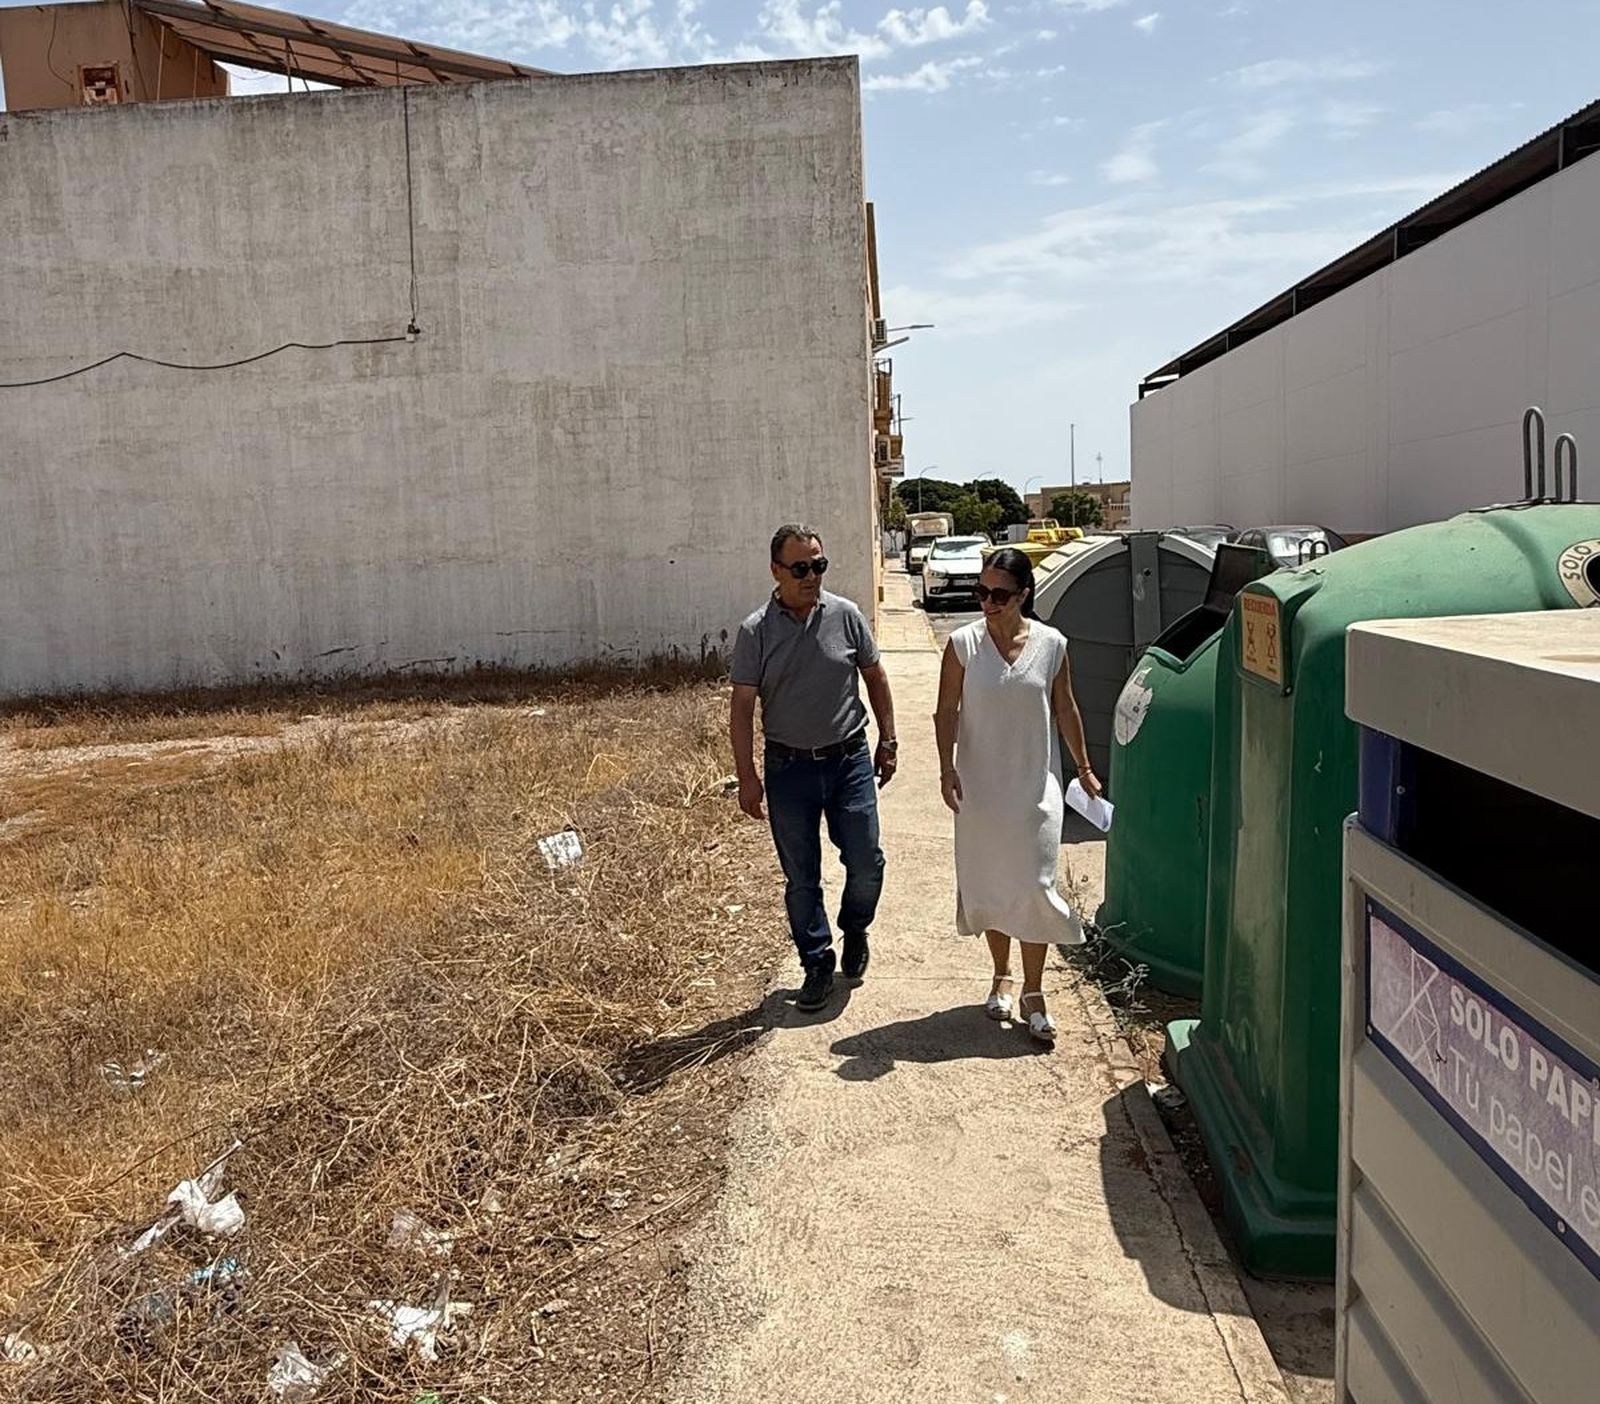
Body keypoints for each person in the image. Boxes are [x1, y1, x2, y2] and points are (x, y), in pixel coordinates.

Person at [932, 547, 1102, 1045]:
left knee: (1033, 885)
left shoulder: (1051, 645)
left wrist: (1085, 768)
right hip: (981, 791)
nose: (987, 602)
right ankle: (1001, 975)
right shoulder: (962, 644)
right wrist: (946, 769)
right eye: (980, 592)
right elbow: (946, 712)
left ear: (1023, 594)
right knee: (992, 884)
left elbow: (1066, 708)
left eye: (998, 594)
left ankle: (1034, 991)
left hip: (1034, 791)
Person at [730, 525, 898, 1012]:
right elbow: (741, 708)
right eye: (800, 568)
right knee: (802, 877)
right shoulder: (755, 631)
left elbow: (875, 676)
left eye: (818, 565)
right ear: (776, 571)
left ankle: (855, 928)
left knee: (866, 861)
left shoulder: (845, 616)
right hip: (788, 770)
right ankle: (817, 963)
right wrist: (747, 776)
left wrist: (887, 740)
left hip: (849, 760)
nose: (811, 576)